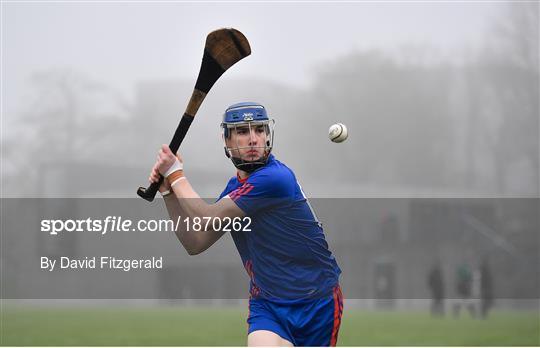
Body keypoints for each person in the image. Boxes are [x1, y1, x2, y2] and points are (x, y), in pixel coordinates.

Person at [149, 102, 343, 346]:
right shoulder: (235, 189)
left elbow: (207, 218)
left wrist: (176, 173)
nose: (253, 139)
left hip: (316, 301)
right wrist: (169, 193)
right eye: (242, 131)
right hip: (268, 303)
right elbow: (195, 242)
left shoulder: (276, 178)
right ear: (227, 141)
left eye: (259, 130)